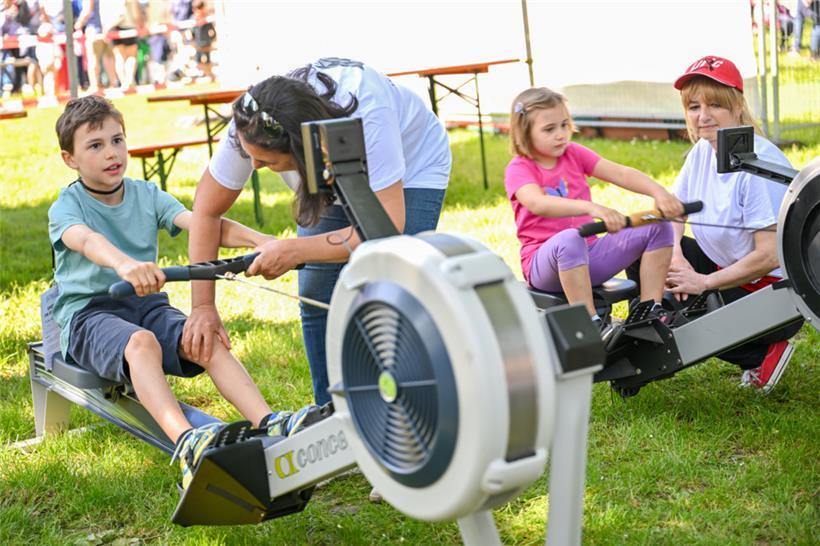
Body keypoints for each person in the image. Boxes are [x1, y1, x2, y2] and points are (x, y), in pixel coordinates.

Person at [48, 96, 320, 490]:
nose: (112, 153)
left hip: (146, 303)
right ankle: (187, 441)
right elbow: (86, 240)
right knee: (140, 343)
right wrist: (125, 265)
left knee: (204, 335)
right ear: (69, 159)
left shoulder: (145, 194)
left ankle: (271, 422)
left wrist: (258, 239)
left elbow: (204, 224)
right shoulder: (66, 206)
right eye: (95, 145)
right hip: (89, 315)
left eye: (118, 140)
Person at [185, 57, 451, 406]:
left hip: (413, 168)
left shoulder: (369, 116)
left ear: (300, 148)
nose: (255, 168)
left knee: (390, 286)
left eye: (265, 162)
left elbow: (384, 231)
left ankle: (407, 407)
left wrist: (296, 250)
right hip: (330, 162)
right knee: (318, 291)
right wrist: (203, 305)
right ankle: (332, 415)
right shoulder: (252, 124)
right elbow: (206, 211)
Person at [637, 55, 802, 392]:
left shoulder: (758, 161)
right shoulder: (702, 151)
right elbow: (675, 211)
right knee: (648, 241)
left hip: (772, 296)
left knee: (695, 312)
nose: (703, 115)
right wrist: (678, 260)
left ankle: (763, 351)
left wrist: (703, 282)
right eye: (694, 106)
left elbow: (769, 256)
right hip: (722, 270)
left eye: (715, 104)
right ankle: (650, 327)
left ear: (737, 106)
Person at [504, 87, 684, 340]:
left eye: (565, 125)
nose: (561, 135)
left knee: (657, 223)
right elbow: (537, 203)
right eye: (549, 129)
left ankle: (648, 311)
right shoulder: (519, 168)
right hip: (544, 267)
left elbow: (620, 173)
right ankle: (591, 324)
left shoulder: (574, 153)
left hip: (590, 257)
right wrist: (591, 207)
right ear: (525, 132)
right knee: (570, 238)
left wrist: (659, 193)